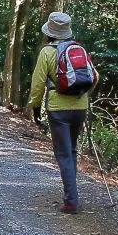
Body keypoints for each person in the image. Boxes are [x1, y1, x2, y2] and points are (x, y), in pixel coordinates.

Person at [26, 11, 98, 214]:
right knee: (72, 152)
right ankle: (71, 196)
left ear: (50, 32)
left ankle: (71, 202)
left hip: (58, 109)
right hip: (80, 106)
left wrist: (35, 106)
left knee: (64, 154)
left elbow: (38, 83)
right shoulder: (78, 49)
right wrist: (83, 94)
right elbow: (94, 76)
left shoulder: (47, 52)